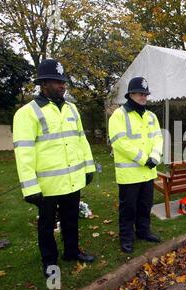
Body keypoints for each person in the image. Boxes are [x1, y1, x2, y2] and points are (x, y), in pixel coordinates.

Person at [12, 59, 96, 278]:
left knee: (71, 220)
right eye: (56, 82)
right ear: (43, 84)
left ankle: (71, 252)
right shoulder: (26, 113)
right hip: (47, 185)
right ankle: (49, 262)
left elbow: (81, 140)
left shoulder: (72, 109)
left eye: (63, 82)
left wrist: (88, 167)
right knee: (47, 226)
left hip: (73, 180)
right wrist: (30, 188)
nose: (62, 86)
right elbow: (24, 152)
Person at [108, 77, 163, 254]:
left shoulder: (151, 116)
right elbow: (119, 142)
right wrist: (143, 158)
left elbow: (158, 138)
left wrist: (155, 156)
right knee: (128, 208)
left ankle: (143, 231)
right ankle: (126, 238)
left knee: (145, 205)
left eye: (146, 94)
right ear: (131, 94)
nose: (144, 97)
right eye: (141, 93)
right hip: (130, 174)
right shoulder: (119, 115)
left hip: (148, 172)